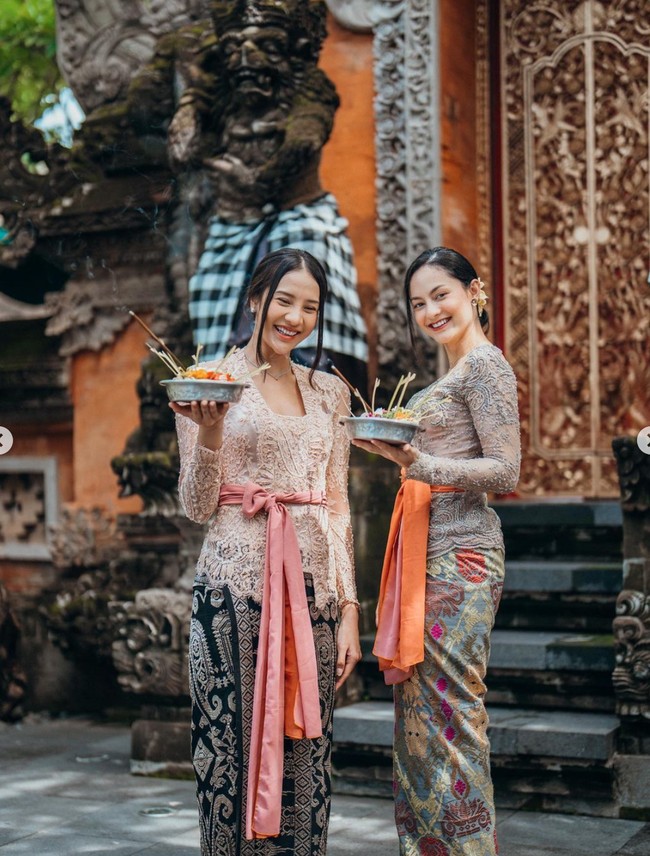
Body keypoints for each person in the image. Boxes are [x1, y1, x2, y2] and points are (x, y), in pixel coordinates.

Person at [171, 247, 361, 855]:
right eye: (284, 300)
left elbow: (337, 502)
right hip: (233, 593)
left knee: (308, 760)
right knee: (229, 758)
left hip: (315, 596)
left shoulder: (331, 393)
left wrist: (351, 606)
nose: (295, 317)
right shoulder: (208, 382)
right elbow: (197, 504)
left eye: (310, 306)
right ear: (256, 298)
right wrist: (209, 430)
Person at [353, 247, 520, 855]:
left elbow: (506, 470)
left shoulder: (485, 366)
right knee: (419, 721)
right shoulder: (445, 376)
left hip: (464, 557)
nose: (431, 310)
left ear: (473, 291)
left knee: (452, 717)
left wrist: (419, 462)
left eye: (441, 295)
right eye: (418, 303)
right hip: (425, 551)